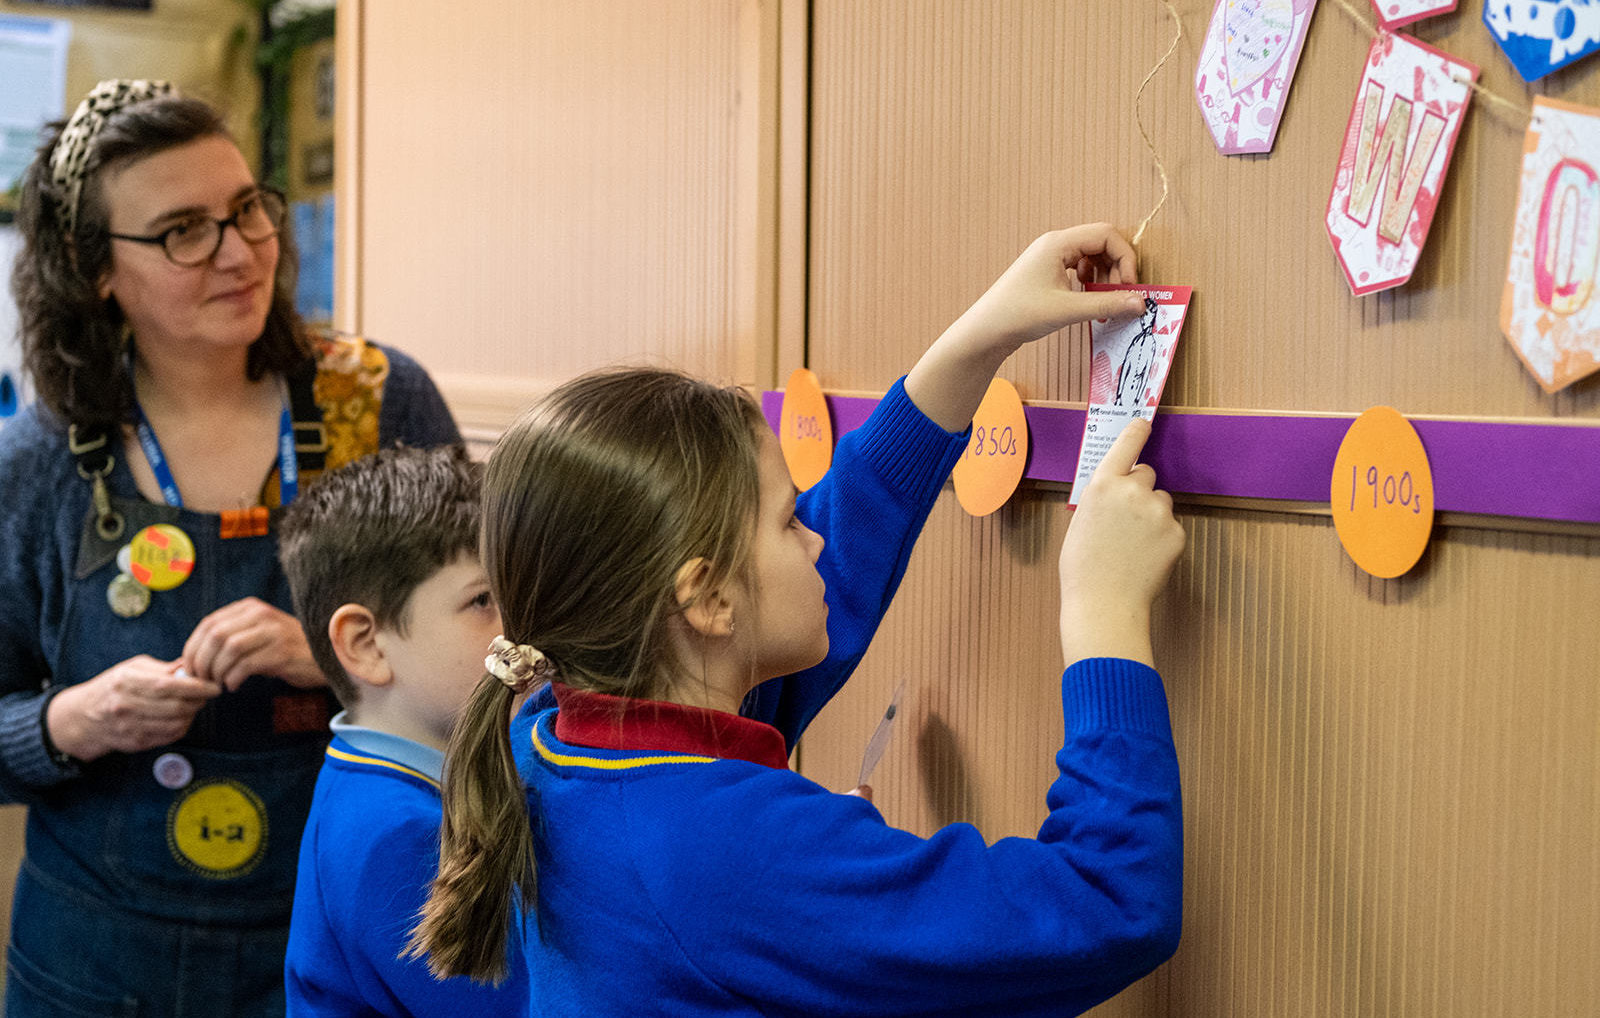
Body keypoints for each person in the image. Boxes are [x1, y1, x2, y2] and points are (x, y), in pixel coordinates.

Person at [414, 231, 1187, 1016]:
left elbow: (823, 572)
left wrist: (974, 343)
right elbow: (1107, 904)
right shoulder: (725, 850)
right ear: (706, 600)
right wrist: (1104, 615)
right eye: (789, 521)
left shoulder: (560, 734)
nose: (814, 538)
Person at [0, 80, 460, 1016]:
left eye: (247, 209)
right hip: (94, 963)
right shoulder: (40, 461)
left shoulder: (376, 403)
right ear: (96, 269)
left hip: (347, 941)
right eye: (182, 230)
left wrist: (340, 659)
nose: (242, 251)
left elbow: (503, 668)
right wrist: (65, 724)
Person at [276, 445, 527, 1016]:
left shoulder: (394, 788)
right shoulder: (397, 833)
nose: (519, 628)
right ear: (365, 645)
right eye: (483, 601)